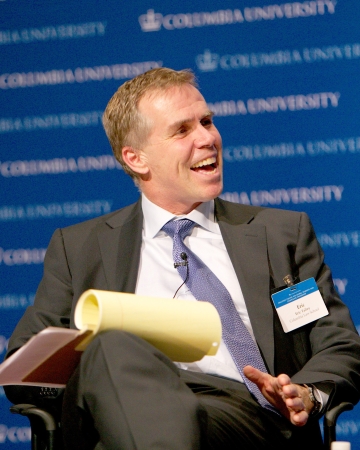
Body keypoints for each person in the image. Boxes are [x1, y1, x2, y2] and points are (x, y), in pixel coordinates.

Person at [5, 68, 360, 450]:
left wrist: (305, 393)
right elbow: (23, 371)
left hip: (246, 416)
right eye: (182, 130)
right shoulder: (80, 248)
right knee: (113, 348)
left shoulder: (280, 235)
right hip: (119, 404)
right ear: (136, 158)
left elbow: (338, 344)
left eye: (207, 122)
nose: (208, 138)